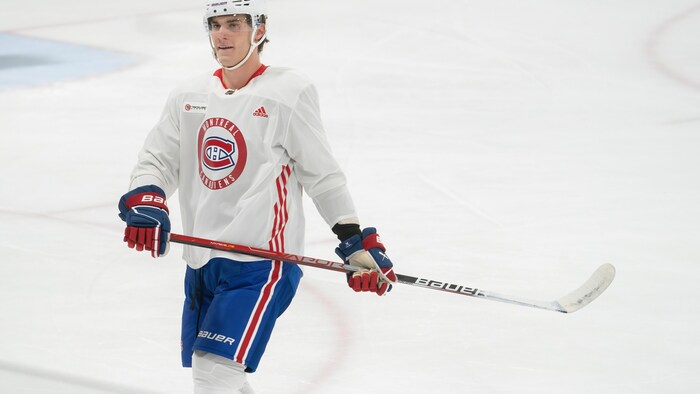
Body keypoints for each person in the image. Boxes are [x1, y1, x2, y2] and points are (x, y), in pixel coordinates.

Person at [117, 1, 397, 392]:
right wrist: (147, 198)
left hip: (260, 262)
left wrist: (353, 242)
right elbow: (157, 160)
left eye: (234, 24)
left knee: (213, 367)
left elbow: (322, 174)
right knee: (218, 371)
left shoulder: (287, 92)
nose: (222, 35)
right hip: (201, 260)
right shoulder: (189, 94)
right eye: (215, 25)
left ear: (259, 31)